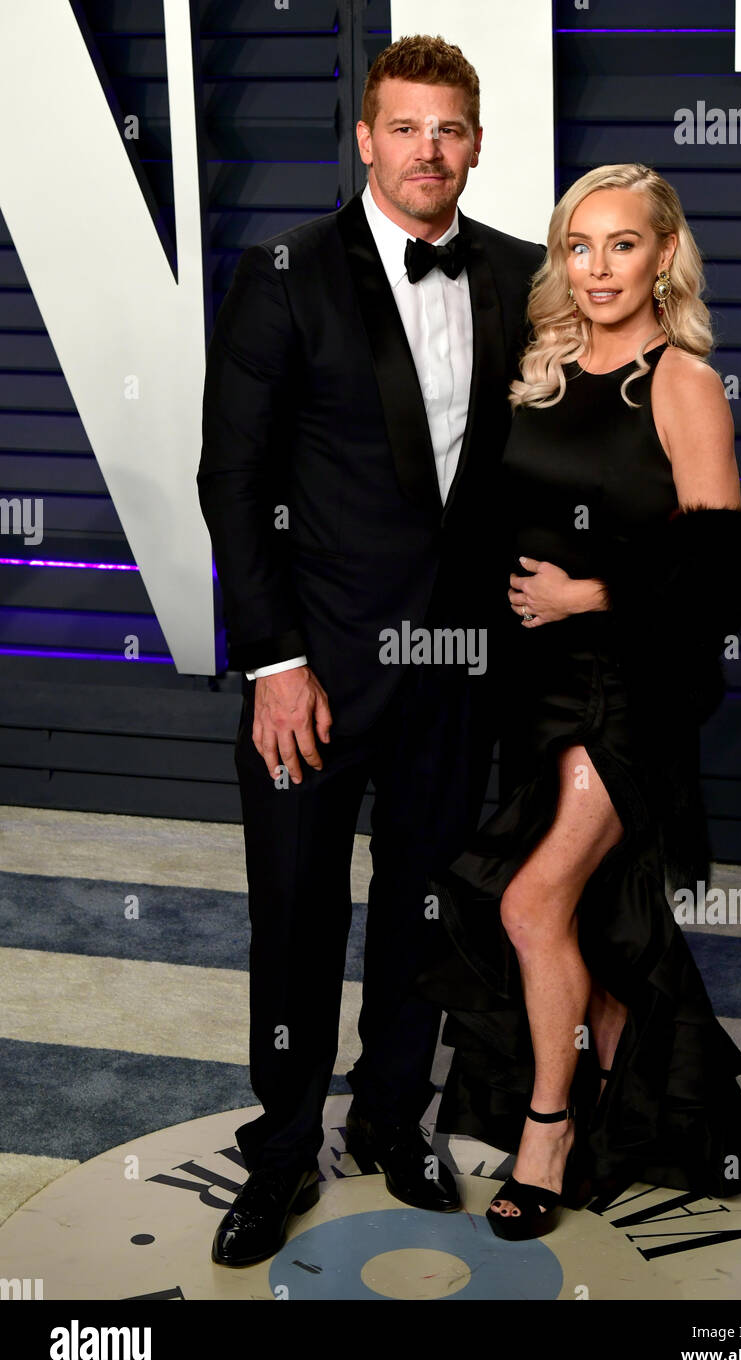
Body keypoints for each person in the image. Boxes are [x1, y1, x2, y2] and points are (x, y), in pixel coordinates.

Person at [196, 34, 545, 1266]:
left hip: (457, 671)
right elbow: (232, 477)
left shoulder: (519, 272)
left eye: (448, 129)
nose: (427, 151)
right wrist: (273, 659)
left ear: (477, 140)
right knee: (293, 915)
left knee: (426, 910)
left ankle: (397, 1116)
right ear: (364, 137)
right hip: (317, 672)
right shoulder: (283, 270)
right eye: (403, 127)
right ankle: (281, 1147)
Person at [417, 163, 741, 1241]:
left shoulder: (679, 383)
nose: (596, 268)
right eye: (577, 246)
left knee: (530, 904)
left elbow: (724, 566)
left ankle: (548, 1130)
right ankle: (646, 1096)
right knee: (594, 921)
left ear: (663, 255)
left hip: (627, 688)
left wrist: (593, 589)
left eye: (621, 244)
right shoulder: (544, 367)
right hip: (534, 690)